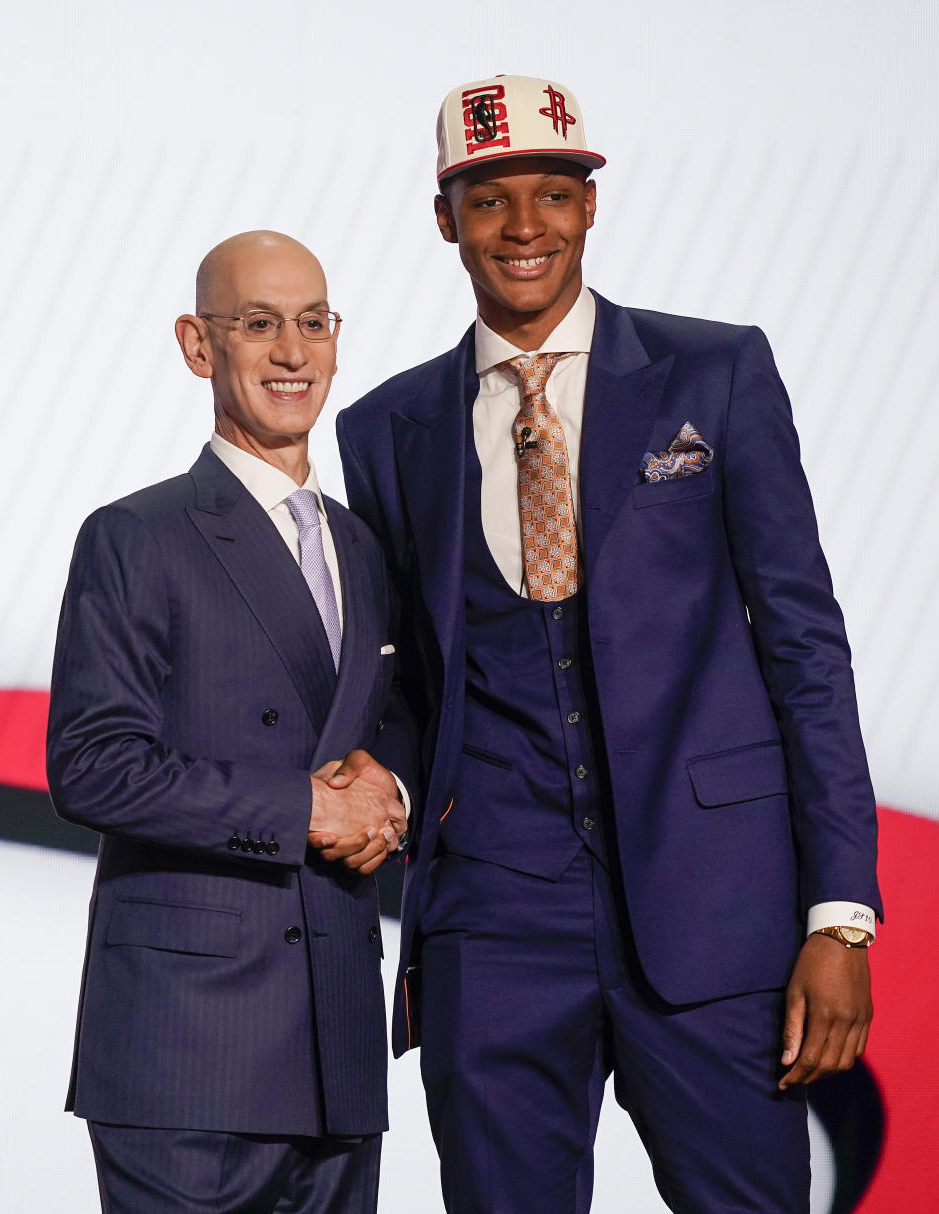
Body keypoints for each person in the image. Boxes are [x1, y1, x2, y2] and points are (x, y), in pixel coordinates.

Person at [337, 76, 882, 1213]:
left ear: (592, 206)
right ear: (446, 219)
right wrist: (372, 771)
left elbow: (805, 649)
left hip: (714, 908)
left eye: (551, 194)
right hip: (494, 918)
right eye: (489, 201)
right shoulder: (387, 427)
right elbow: (410, 671)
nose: (523, 227)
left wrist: (840, 913)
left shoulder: (716, 373)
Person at [47, 230, 414, 1214]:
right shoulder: (133, 535)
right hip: (185, 1050)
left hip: (337, 1044)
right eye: (258, 324)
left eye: (312, 323)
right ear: (197, 344)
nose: (291, 352)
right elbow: (91, 764)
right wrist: (301, 809)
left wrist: (394, 790)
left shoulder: (367, 548)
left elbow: (398, 725)